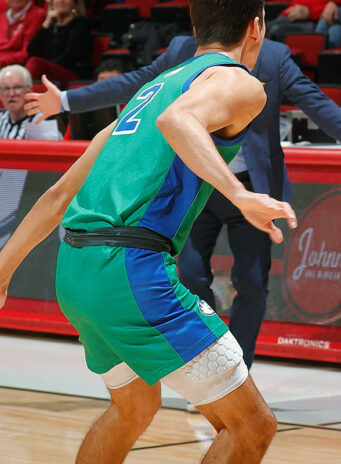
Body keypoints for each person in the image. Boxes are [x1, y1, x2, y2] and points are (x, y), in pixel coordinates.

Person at [0, 1, 298, 462]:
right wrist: (240, 196)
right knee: (252, 425)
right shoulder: (240, 82)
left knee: (133, 405)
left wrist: (3, 272)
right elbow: (178, 122)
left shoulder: (152, 88)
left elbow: (59, 195)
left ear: (195, 27)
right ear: (256, 29)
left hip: (76, 268)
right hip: (132, 271)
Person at [24, 35, 341, 368]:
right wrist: (69, 101)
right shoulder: (184, 50)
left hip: (254, 189)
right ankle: (207, 354)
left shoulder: (274, 56)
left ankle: (237, 366)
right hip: (200, 185)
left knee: (253, 284)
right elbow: (137, 82)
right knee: (191, 275)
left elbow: (319, 106)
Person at [25, 0, 90, 87]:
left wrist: (47, 67)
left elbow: (71, 55)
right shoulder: (50, 25)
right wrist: (47, 22)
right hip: (47, 71)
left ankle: (23, 92)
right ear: (52, 3)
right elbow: (31, 51)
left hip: (69, 73)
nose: (61, 1)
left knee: (35, 63)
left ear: (75, 3)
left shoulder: (80, 24)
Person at [0, 64, 61, 139]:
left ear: (29, 91)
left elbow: (52, 149)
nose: (11, 94)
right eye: (6, 89)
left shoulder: (41, 122)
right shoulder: (1, 119)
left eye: (17, 88)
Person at [0, 0, 44, 67]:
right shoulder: (2, 16)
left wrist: (2, 61)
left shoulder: (37, 15)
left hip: (15, 67)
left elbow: (27, 52)